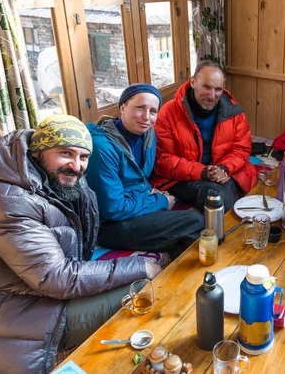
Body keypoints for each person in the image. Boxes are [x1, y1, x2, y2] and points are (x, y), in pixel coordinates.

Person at [0, 115, 161, 374]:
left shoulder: (57, 182)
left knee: (133, 284)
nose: (76, 165)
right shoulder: (6, 201)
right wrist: (140, 265)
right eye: (65, 153)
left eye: (83, 157)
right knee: (142, 289)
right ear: (38, 151)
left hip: (32, 290)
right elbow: (56, 277)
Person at [86, 84, 204, 259]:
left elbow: (140, 179)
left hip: (136, 206)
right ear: (123, 108)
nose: (146, 117)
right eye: (140, 108)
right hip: (111, 224)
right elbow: (112, 209)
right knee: (194, 221)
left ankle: (184, 281)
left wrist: (152, 195)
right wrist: (159, 201)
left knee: (184, 238)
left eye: (153, 111)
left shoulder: (148, 134)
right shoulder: (102, 147)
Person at [150, 61, 257, 210]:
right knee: (217, 199)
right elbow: (163, 160)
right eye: (206, 87)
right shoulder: (168, 113)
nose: (212, 96)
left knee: (246, 179)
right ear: (193, 82)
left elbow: (242, 149)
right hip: (184, 176)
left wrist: (223, 169)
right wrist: (203, 172)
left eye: (218, 89)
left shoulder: (234, 112)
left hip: (221, 169)